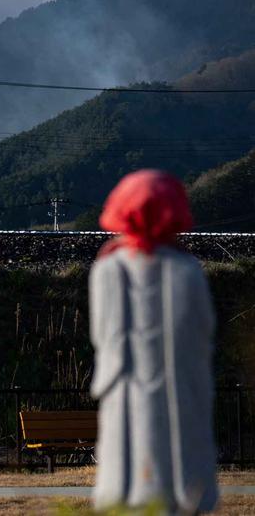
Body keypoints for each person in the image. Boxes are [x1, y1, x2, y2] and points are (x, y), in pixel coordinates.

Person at [91, 170, 219, 513]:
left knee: (125, 459)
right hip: (180, 386)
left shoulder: (107, 269)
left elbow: (103, 334)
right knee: (181, 463)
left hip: (124, 385)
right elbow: (203, 329)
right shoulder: (187, 269)